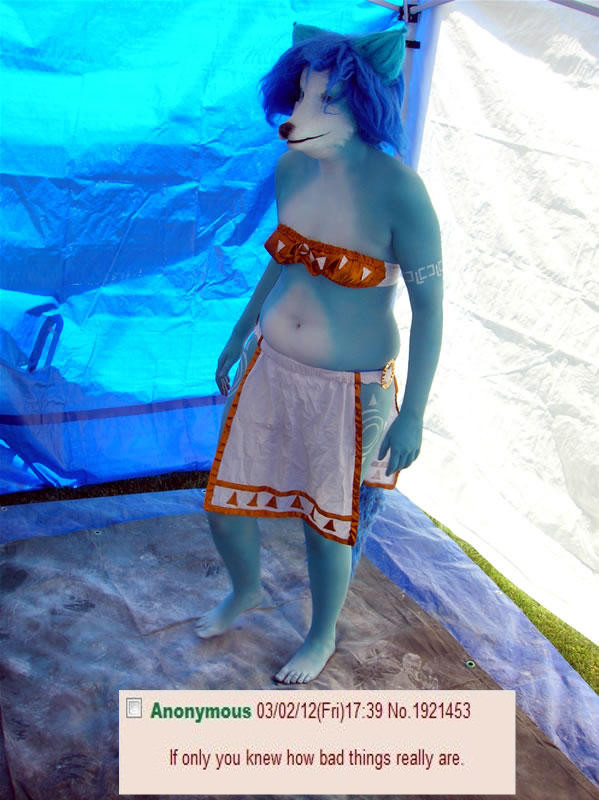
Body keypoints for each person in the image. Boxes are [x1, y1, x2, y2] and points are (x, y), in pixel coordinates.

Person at [199, 23, 443, 684]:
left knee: (325, 523)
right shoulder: (291, 168)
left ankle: (321, 633)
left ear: (364, 105)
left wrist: (414, 413)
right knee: (223, 503)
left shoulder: (401, 192)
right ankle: (245, 589)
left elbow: (429, 309)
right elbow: (281, 260)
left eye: (327, 100)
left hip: (349, 389)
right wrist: (238, 332)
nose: (301, 116)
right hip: (270, 366)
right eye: (302, 97)